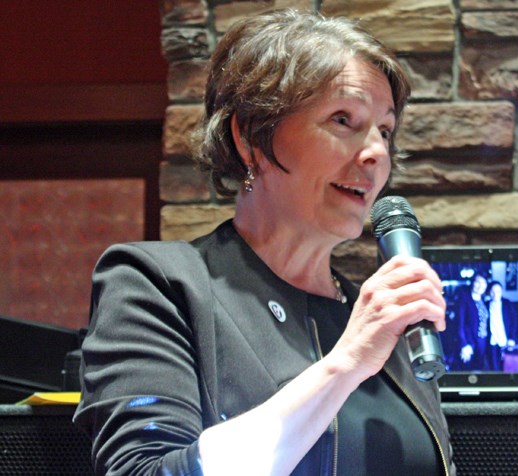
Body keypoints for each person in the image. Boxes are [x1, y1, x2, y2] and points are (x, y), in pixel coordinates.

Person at [74, 9, 455, 476]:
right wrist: (345, 364)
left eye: (385, 130)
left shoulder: (388, 323)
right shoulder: (159, 285)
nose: (376, 152)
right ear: (251, 137)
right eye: (343, 119)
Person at [459, 273, 492, 370]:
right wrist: (464, 344)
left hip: (482, 341)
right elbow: (459, 325)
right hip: (469, 342)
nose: (481, 285)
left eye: (484, 282)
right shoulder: (464, 300)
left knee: (479, 369)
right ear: (472, 283)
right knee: (468, 373)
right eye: (478, 282)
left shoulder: (484, 301)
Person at [485, 281, 517, 371]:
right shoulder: (486, 304)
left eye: (498, 291)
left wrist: (512, 338)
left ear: (501, 291)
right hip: (492, 341)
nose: (495, 294)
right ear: (489, 292)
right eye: (492, 291)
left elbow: (514, 322)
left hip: (505, 340)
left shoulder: (507, 303)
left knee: (506, 366)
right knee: (494, 367)